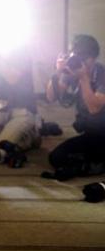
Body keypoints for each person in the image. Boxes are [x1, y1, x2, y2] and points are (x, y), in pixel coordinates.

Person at [44, 35, 105, 180]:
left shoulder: (102, 74)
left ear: (93, 58)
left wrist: (84, 79)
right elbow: (51, 97)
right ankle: (88, 165)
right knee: (56, 158)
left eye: (85, 57)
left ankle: (91, 165)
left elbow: (94, 109)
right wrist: (57, 72)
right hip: (91, 133)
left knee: (94, 155)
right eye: (77, 56)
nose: (81, 62)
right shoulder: (72, 70)